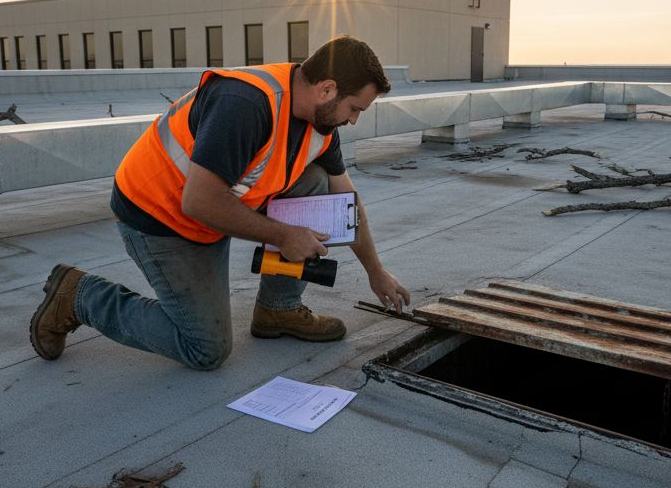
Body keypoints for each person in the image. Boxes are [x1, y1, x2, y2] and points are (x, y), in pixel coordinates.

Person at [28, 35, 411, 370]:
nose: (355, 120)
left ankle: (277, 310)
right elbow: (199, 201)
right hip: (160, 215)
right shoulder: (245, 102)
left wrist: (376, 272)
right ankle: (78, 295)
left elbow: (346, 200)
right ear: (327, 89)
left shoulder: (321, 124)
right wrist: (284, 234)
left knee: (317, 181)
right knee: (205, 349)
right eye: (355, 109)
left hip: (216, 207)